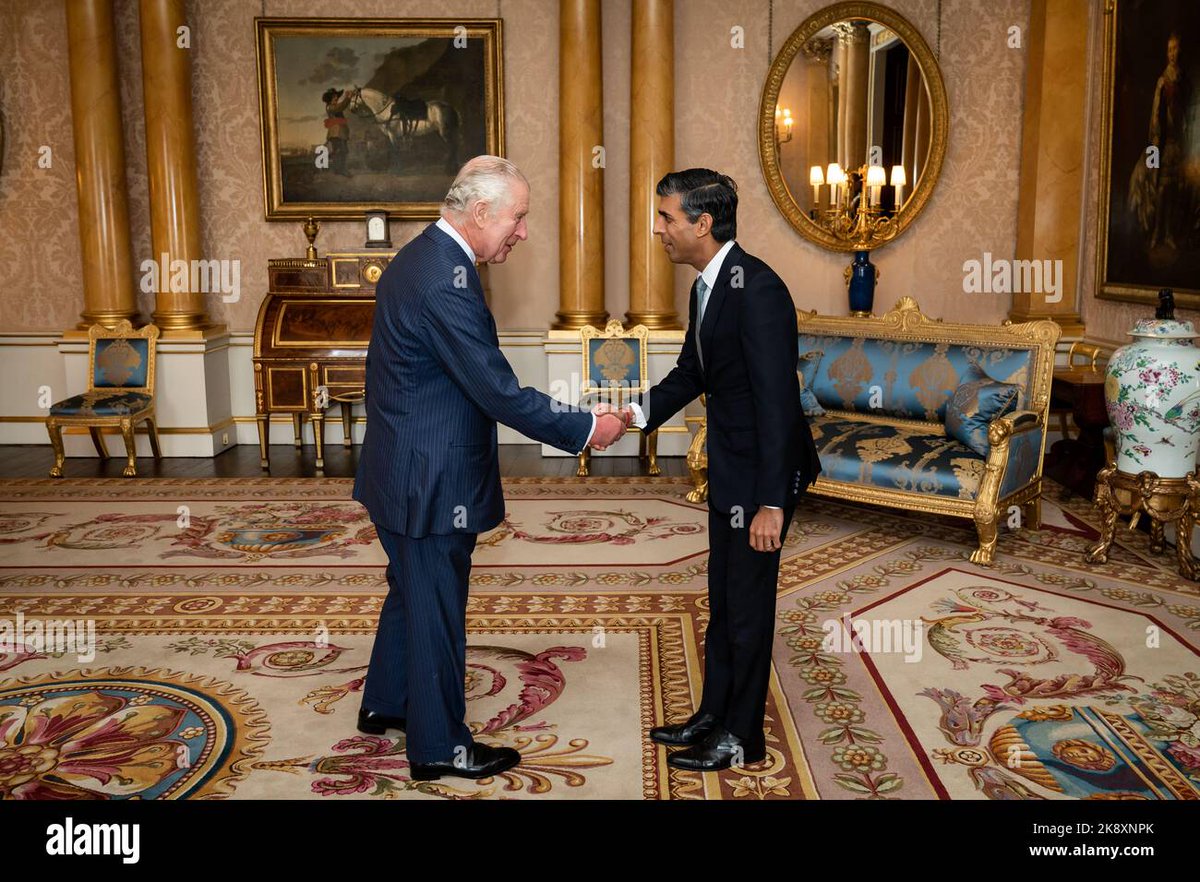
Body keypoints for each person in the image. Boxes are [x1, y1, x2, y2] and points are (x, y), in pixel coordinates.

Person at [353, 155, 627, 781]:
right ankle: (439, 747)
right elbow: (499, 391)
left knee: (410, 591)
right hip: (428, 478)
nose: (523, 232)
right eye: (519, 217)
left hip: (401, 465)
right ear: (480, 213)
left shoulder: (421, 255)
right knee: (436, 609)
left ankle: (387, 703)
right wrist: (588, 428)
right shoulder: (444, 278)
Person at [611, 168, 821, 771]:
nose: (659, 230)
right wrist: (632, 413)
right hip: (729, 470)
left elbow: (778, 403)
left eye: (666, 218)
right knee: (725, 600)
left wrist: (773, 503)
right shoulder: (708, 285)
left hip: (761, 479)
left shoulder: (757, 289)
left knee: (750, 606)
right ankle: (713, 715)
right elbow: (691, 374)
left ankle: (741, 738)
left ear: (703, 224)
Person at [321, 87, 354, 177]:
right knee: (340, 151)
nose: (336, 98)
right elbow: (341, 107)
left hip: (340, 133)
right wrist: (348, 97)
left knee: (341, 151)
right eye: (334, 97)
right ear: (330, 99)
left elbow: (341, 106)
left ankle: (338, 169)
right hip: (336, 133)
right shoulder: (330, 107)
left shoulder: (334, 106)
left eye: (336, 96)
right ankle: (341, 170)